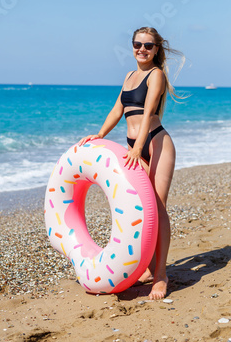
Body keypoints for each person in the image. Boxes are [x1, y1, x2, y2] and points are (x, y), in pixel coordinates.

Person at [79, 26, 183, 300]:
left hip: (155, 143)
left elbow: (148, 111)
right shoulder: (129, 76)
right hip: (133, 146)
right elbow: (118, 109)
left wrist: (138, 147)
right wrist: (99, 135)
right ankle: (147, 268)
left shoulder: (156, 75)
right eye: (138, 44)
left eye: (148, 45)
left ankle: (160, 275)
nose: (142, 49)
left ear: (156, 49)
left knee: (158, 208)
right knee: (142, 209)